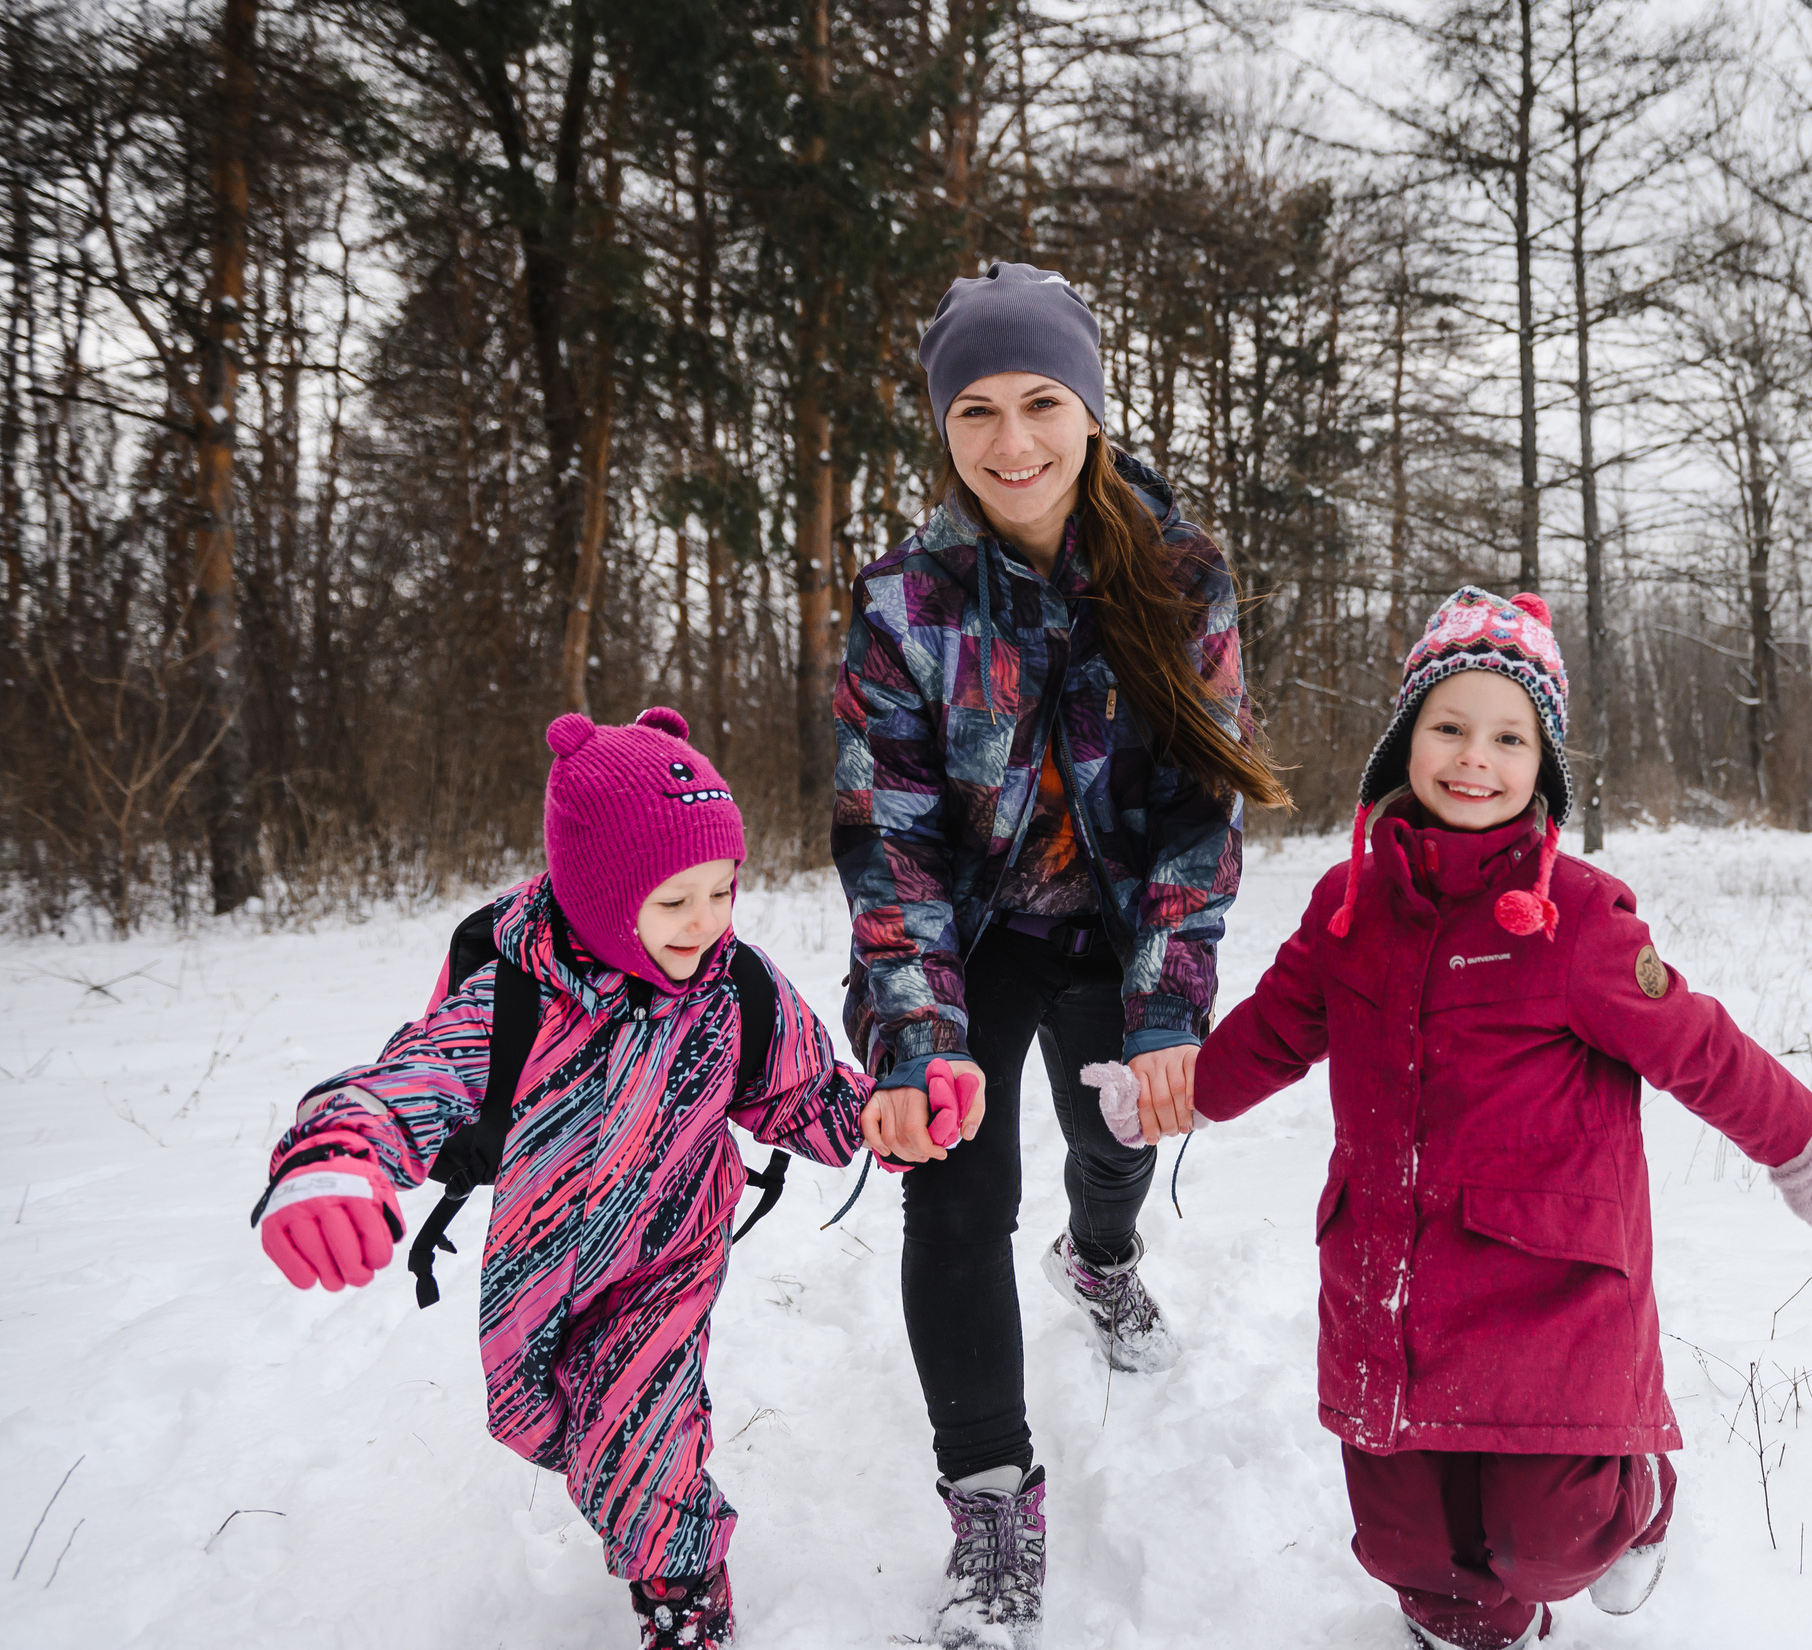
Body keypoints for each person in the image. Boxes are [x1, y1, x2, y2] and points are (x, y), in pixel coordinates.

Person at [1183, 587, 1812, 1650]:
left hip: (1549, 1290)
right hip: (1387, 1279)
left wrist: (1797, 1135)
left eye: (1509, 738)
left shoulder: (1575, 918)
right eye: (1448, 727)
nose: (1473, 759)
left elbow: (1693, 1041)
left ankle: (1635, 1503)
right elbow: (1273, 1027)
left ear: (1545, 767)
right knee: (1408, 1549)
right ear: (1405, 741)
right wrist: (1174, 1092)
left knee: (1551, 1540)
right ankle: (1474, 1629)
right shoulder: (1347, 908)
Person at [832, 262, 1290, 1648]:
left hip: (1116, 928)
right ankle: (988, 1495)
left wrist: (1168, 1010)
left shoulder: (1177, 576)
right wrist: (913, 1038)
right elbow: (887, 831)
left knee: (1121, 1144)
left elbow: (1196, 810)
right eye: (976, 410)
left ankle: (1101, 1255)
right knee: (957, 1196)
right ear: (943, 425)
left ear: (1092, 409)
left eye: (1042, 402)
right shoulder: (905, 602)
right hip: (970, 939)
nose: (1012, 442)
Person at [250, 709, 873, 1650]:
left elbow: (805, 1092)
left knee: (644, 1430)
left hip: (670, 1256)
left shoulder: (735, 990)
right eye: (674, 903)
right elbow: (413, 1079)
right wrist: (337, 1151)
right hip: (540, 1272)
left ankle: (686, 1602)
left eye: (722, 891)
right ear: (597, 892)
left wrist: (879, 1118)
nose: (705, 924)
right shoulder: (515, 999)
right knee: (544, 1421)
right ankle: (641, 1508)